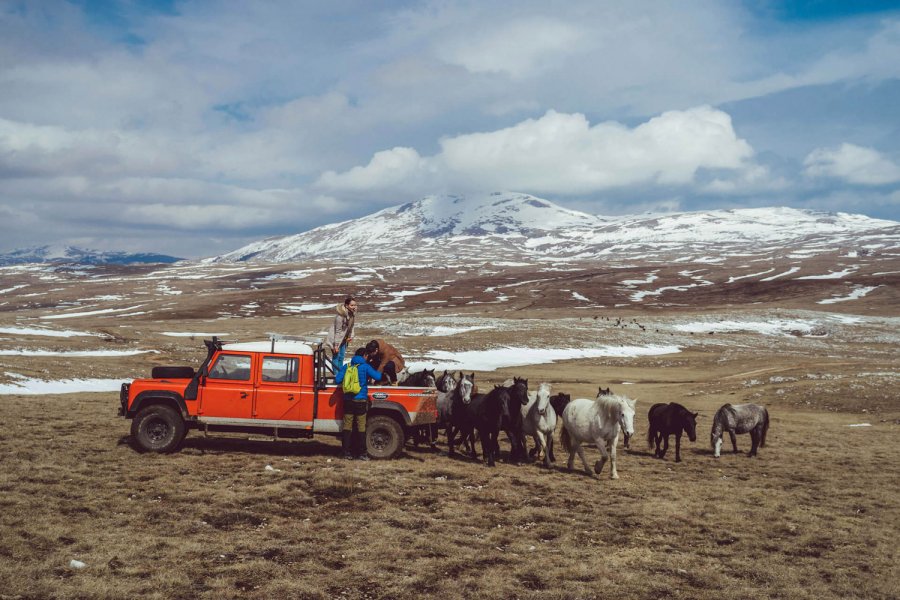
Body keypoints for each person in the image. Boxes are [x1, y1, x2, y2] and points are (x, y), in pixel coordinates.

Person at [335, 347, 382, 460]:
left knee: (347, 426)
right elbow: (378, 376)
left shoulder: (347, 366)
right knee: (361, 427)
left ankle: (346, 453)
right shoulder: (365, 367)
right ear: (365, 355)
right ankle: (362, 454)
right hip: (360, 400)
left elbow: (337, 380)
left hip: (348, 401)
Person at [325, 296, 357, 374]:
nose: (354, 307)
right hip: (335, 339)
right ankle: (336, 374)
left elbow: (351, 326)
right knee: (336, 356)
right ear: (346, 305)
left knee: (341, 357)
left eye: (355, 305)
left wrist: (350, 336)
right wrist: (336, 345)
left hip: (343, 339)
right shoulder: (340, 316)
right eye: (352, 305)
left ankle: (340, 373)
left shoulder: (352, 315)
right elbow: (338, 331)